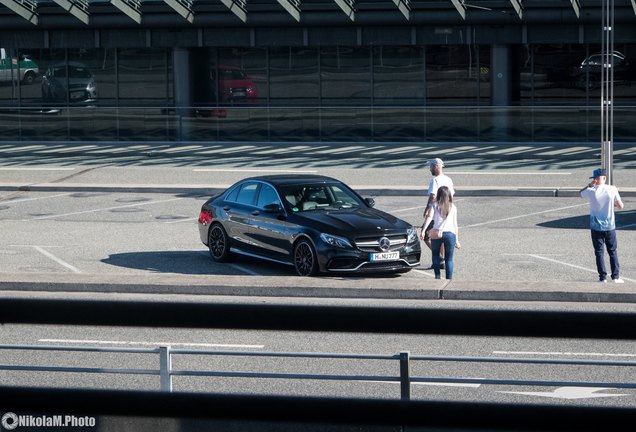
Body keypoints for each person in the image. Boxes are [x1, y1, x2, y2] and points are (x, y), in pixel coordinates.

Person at [580, 168, 624, 283]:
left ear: (596, 179)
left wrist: (589, 185)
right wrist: (612, 204)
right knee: (612, 251)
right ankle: (615, 277)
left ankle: (602, 277)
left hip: (596, 227)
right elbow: (620, 206)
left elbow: (581, 193)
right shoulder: (612, 189)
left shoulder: (591, 190)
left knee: (599, 252)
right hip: (610, 226)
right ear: (605, 178)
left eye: (594, 179)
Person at [420, 186, 461, 280]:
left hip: (436, 234)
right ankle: (449, 279)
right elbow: (455, 225)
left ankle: (437, 277)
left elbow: (429, 218)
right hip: (450, 234)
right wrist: (457, 240)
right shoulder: (453, 207)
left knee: (435, 255)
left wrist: (423, 230)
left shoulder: (434, 205)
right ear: (449, 195)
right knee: (449, 259)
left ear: (438, 195)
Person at [422, 158, 455, 269]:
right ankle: (443, 260)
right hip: (447, 210)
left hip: (436, 210)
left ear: (436, 166)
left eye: (431, 166)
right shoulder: (449, 180)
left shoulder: (435, 180)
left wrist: (427, 209)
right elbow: (451, 196)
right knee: (440, 235)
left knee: (426, 235)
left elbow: (433, 196)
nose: (430, 169)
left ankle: (441, 258)